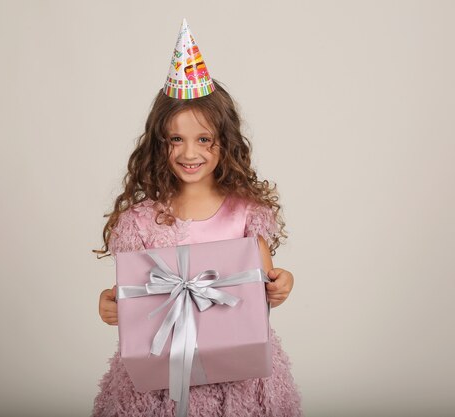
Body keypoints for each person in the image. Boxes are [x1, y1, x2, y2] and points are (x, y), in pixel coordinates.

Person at [91, 19, 302, 417]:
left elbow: (263, 289)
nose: (190, 153)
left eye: (203, 139)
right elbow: (131, 296)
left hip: (238, 376)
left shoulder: (246, 213)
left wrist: (280, 285)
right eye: (176, 139)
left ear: (225, 142)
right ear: (160, 143)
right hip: (162, 377)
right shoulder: (141, 221)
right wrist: (109, 305)